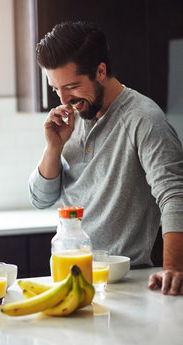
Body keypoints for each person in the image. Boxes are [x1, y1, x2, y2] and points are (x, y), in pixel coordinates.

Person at [28, 21, 183, 295]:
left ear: (100, 71)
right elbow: (41, 199)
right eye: (55, 89)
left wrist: (174, 268)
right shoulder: (69, 120)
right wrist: (53, 147)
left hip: (125, 283)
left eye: (72, 87)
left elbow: (175, 195)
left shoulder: (145, 119)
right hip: (69, 277)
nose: (64, 99)